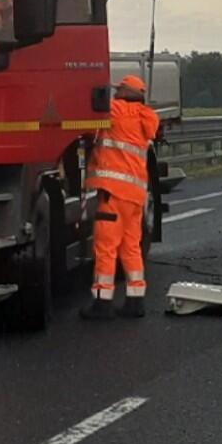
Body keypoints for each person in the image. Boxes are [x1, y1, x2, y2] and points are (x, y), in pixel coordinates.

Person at [81, 75, 161, 320]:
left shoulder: (114, 111)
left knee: (106, 248)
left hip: (113, 193)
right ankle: (135, 301)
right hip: (136, 195)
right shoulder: (146, 117)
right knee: (131, 247)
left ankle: (102, 303)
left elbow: (87, 124)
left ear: (123, 91)